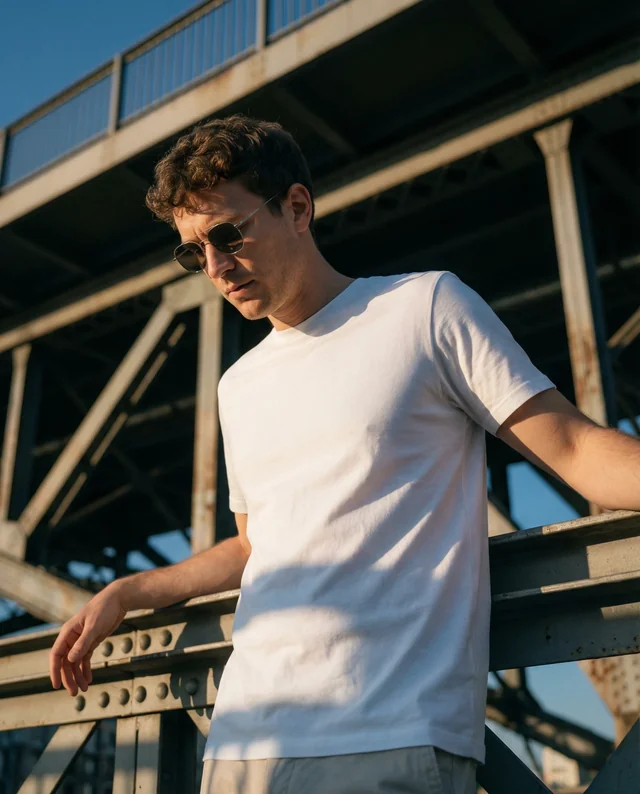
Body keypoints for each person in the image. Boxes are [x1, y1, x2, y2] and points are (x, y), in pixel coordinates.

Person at [49, 115, 640, 794]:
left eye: (227, 234)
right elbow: (254, 547)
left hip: (388, 733)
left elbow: (572, 447)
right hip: (243, 741)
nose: (214, 266)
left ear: (297, 207)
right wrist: (128, 592)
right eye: (193, 252)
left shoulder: (425, 308)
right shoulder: (237, 385)